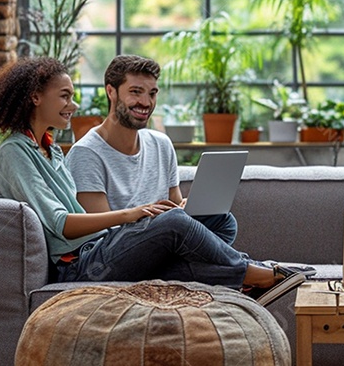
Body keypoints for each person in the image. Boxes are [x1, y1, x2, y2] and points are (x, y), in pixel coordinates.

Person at [0, 56, 304, 304]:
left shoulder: (50, 151)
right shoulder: (16, 154)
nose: (74, 105)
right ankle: (255, 272)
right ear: (36, 98)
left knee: (219, 222)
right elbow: (60, 223)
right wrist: (137, 214)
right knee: (176, 224)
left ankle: (247, 279)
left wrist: (168, 214)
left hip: (103, 250)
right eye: (65, 97)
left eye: (151, 93)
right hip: (81, 265)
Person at [66, 54, 237, 244]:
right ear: (111, 92)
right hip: (122, 251)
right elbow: (103, 235)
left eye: (152, 93)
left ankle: (197, 268)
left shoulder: (161, 144)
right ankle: (245, 269)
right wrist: (162, 221)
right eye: (136, 92)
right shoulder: (86, 153)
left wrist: (185, 208)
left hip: (166, 242)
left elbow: (174, 209)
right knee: (180, 228)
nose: (146, 103)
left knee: (224, 221)